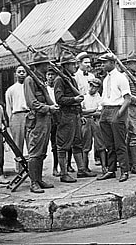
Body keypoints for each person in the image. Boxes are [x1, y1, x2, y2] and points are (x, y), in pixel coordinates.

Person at [55, 50, 96, 183]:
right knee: (63, 145)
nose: (75, 67)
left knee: (78, 143)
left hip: (75, 115)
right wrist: (74, 99)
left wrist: (79, 114)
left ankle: (81, 170)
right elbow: (59, 99)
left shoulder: (71, 79)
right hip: (65, 115)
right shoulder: (59, 80)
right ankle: (64, 173)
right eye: (72, 64)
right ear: (65, 66)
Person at [24, 52, 58, 193]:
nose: (49, 66)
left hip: (46, 119)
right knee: (35, 152)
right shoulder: (30, 80)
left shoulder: (41, 80)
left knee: (42, 151)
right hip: (37, 119)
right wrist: (48, 108)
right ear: (40, 65)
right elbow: (32, 102)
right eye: (46, 64)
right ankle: (33, 183)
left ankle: (38, 179)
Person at [96, 53, 132, 182]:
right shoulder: (106, 79)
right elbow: (105, 98)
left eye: (105, 62)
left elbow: (128, 99)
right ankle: (111, 170)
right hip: (106, 111)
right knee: (109, 144)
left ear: (112, 63)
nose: (102, 65)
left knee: (119, 144)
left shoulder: (121, 78)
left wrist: (119, 114)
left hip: (117, 110)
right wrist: (101, 111)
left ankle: (125, 171)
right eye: (102, 63)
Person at [5, 65, 29, 172]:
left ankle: (32, 168)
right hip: (17, 116)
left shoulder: (30, 87)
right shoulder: (11, 89)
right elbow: (8, 107)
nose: (22, 73)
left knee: (31, 142)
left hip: (29, 115)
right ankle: (19, 168)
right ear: (16, 74)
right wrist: (11, 120)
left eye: (24, 71)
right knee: (17, 144)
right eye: (19, 72)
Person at [81, 78, 105, 174]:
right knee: (85, 145)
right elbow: (81, 111)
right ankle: (84, 168)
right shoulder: (84, 97)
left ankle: (104, 166)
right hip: (86, 122)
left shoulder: (100, 98)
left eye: (95, 87)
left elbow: (100, 112)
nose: (92, 88)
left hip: (96, 121)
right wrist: (93, 110)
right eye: (91, 85)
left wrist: (89, 112)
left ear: (98, 88)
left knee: (101, 144)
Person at [45, 66, 60, 177]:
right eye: (48, 75)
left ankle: (59, 166)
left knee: (58, 143)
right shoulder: (44, 88)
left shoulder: (57, 87)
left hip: (57, 116)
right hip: (47, 116)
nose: (50, 77)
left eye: (52, 75)